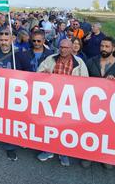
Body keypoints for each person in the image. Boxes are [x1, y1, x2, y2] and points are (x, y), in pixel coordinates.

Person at [36, 39, 88, 167]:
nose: (63, 50)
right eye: (61, 47)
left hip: (69, 101)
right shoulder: (51, 59)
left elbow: (86, 82)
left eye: (66, 47)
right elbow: (38, 73)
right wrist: (44, 74)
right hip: (52, 99)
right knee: (50, 126)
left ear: (71, 49)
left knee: (65, 127)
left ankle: (63, 152)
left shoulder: (79, 63)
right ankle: (48, 150)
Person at [0, 29, 31, 161]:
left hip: (14, 95)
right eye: (1, 40)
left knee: (11, 122)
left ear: (12, 39)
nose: (4, 42)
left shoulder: (20, 54)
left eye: (6, 40)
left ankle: (10, 147)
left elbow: (30, 72)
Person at [81, 36, 115, 169]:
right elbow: (82, 80)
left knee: (108, 132)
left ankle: (105, 157)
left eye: (107, 46)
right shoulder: (91, 61)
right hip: (92, 104)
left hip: (111, 106)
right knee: (91, 131)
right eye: (102, 46)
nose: (103, 49)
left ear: (113, 48)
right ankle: (89, 155)